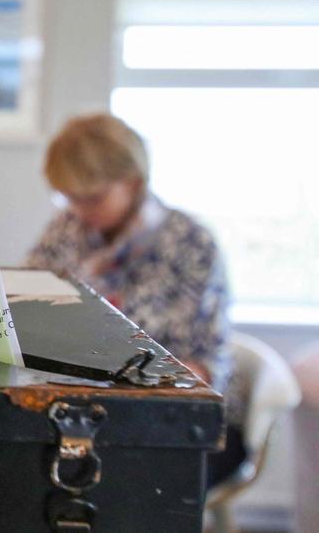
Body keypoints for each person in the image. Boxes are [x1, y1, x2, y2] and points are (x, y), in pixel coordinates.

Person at [25, 113, 240, 486]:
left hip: (171, 422)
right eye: (69, 197)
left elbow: (206, 367)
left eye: (91, 197)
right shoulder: (66, 229)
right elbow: (24, 310)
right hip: (78, 412)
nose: (78, 210)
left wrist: (119, 383)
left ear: (133, 182)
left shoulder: (190, 244)